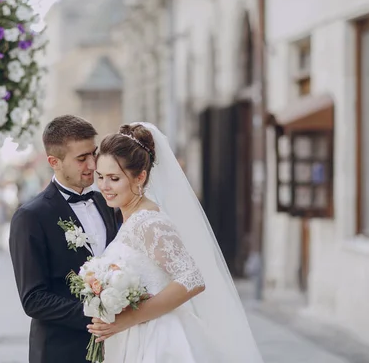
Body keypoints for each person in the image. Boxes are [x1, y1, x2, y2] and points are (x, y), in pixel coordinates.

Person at [88, 123, 263, 363]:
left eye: (114, 178)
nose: (104, 186)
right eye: (100, 177)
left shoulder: (149, 222)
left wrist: (131, 318)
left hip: (157, 340)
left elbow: (191, 279)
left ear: (140, 177)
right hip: (131, 338)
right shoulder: (131, 219)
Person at [9, 115, 120, 363]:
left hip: (115, 347)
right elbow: (33, 299)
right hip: (60, 350)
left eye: (94, 153)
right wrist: (96, 315)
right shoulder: (30, 217)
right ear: (54, 162)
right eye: (82, 158)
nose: (92, 164)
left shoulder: (106, 203)